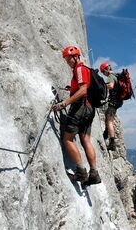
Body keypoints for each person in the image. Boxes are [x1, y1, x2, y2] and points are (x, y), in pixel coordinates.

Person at [52, 46, 101, 185]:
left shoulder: (79, 68)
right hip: (89, 108)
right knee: (86, 140)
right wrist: (72, 89)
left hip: (80, 107)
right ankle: (94, 174)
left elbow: (83, 90)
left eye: (69, 59)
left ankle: (81, 173)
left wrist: (64, 104)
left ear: (76, 57)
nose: (68, 63)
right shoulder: (83, 70)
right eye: (67, 60)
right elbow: (82, 87)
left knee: (67, 139)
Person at [100, 62, 123, 151]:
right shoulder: (115, 75)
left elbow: (111, 85)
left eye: (103, 72)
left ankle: (112, 143)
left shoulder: (110, 76)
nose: (103, 74)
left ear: (106, 69)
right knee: (107, 115)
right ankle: (106, 133)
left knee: (109, 121)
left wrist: (101, 85)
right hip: (118, 101)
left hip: (114, 102)